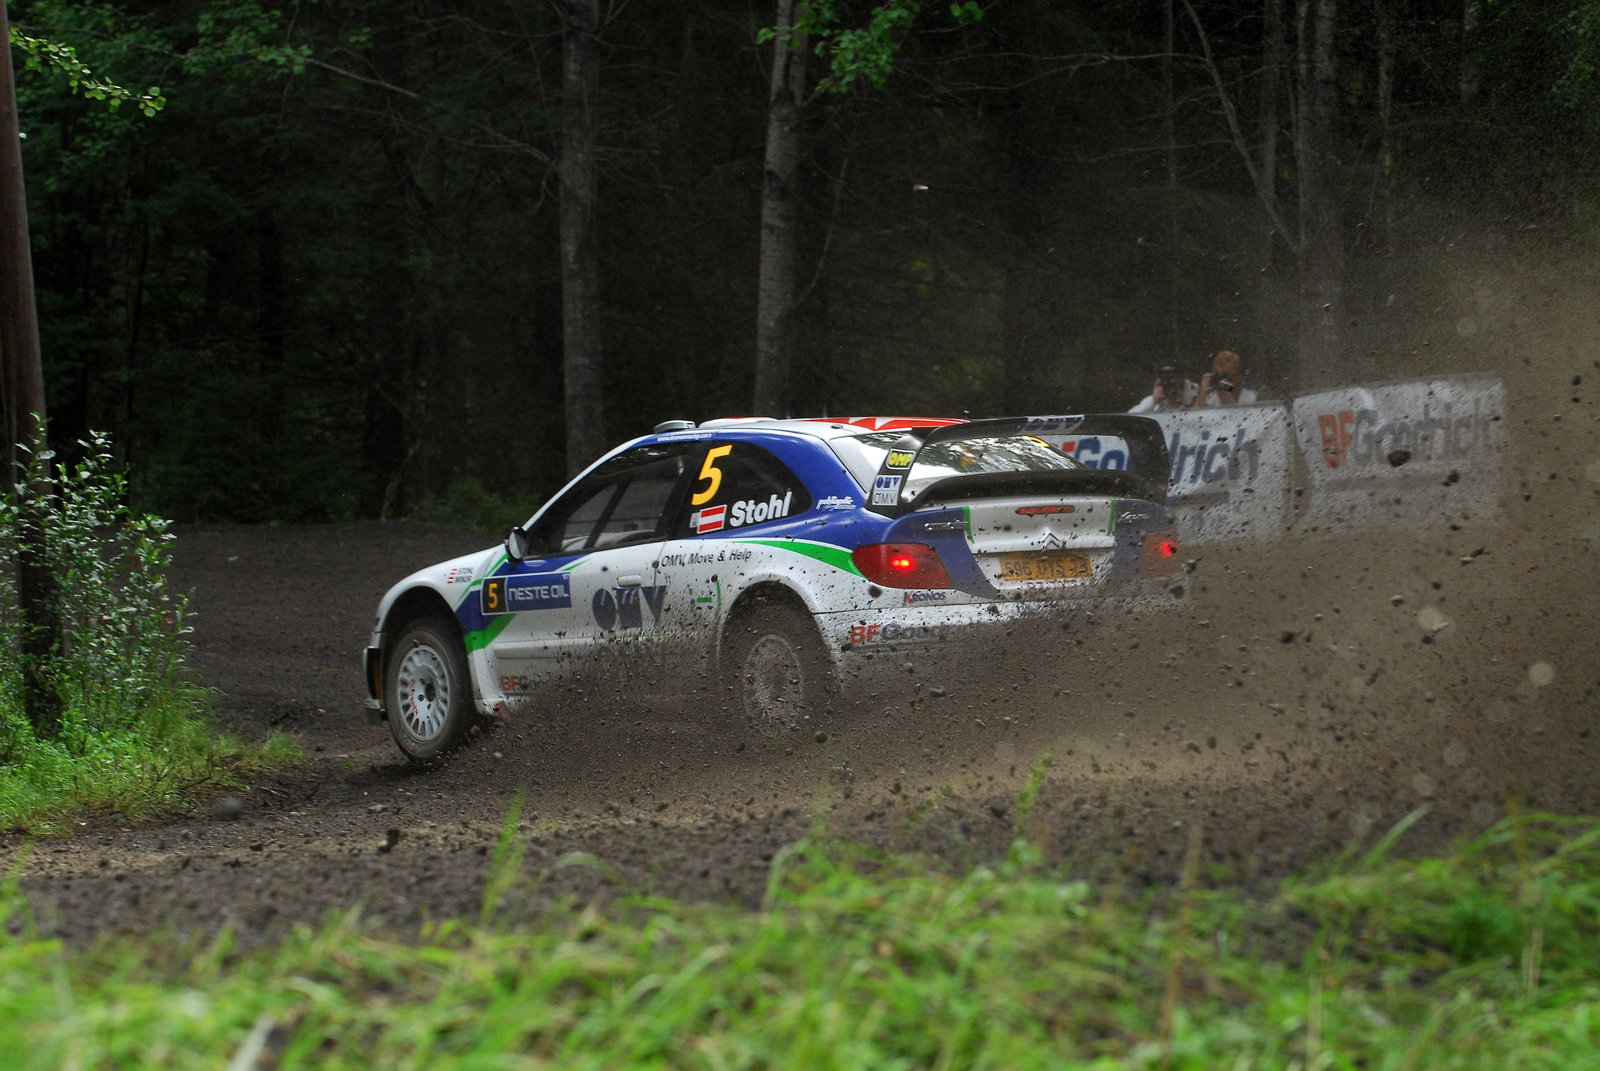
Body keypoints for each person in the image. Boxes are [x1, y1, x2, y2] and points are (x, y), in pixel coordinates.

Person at [1193, 349, 1258, 406]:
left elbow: (1241, 417)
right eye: (1218, 375)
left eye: (1225, 376)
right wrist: (1203, 393)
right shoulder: (1211, 396)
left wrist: (1225, 395)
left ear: (1239, 376)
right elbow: (1194, 417)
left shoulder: (1250, 396)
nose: (1222, 381)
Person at [1129, 365, 1196, 413]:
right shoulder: (1155, 402)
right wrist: (1153, 401)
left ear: (1183, 378)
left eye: (1173, 376)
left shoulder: (1197, 394)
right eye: (1165, 377)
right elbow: (1131, 417)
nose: (1169, 381)